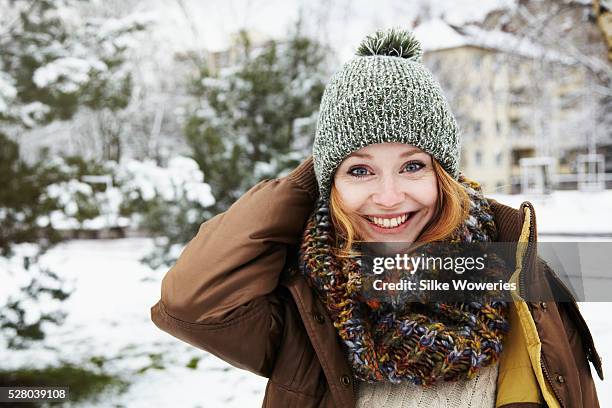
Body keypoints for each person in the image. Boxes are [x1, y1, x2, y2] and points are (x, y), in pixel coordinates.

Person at [150, 29, 602, 408]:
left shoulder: (521, 279)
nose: (388, 197)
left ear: (445, 176)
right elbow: (193, 302)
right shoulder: (306, 299)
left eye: (412, 166)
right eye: (360, 170)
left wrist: (345, 164)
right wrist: (309, 182)